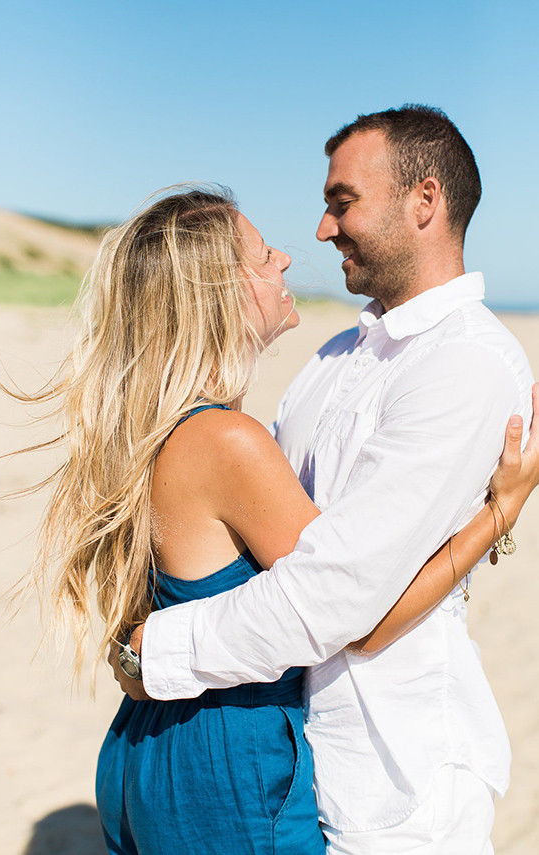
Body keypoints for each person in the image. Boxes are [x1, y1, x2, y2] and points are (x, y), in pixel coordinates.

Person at [113, 107, 537, 853]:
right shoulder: (336, 354)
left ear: (425, 201)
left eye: (342, 202)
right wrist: (497, 516)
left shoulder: (466, 363)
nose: (320, 230)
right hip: (291, 761)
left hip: (395, 782)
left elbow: (343, 602)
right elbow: (258, 548)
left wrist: (161, 651)